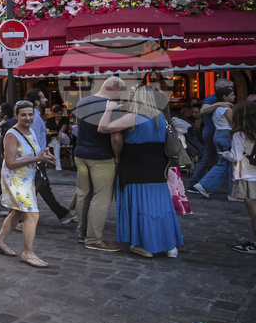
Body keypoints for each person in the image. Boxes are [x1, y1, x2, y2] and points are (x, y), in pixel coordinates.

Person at [99, 84, 183, 258]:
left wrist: (108, 109)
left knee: (139, 204)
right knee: (161, 204)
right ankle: (169, 246)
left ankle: (144, 245)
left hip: (135, 165)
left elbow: (103, 128)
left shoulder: (134, 117)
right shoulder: (161, 118)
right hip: (158, 166)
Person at [0, 100, 55, 268]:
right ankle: (28, 253)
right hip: (15, 179)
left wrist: (44, 155)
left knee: (18, 212)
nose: (27, 118)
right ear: (16, 116)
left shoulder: (31, 131)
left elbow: (32, 153)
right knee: (32, 214)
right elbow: (11, 162)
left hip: (28, 177)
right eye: (23, 114)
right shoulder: (12, 135)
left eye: (30, 114)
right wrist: (37, 158)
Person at [73, 76, 125, 252]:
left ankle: (82, 233)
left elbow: (78, 127)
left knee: (83, 194)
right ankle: (93, 238)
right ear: (115, 89)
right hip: (101, 156)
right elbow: (116, 137)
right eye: (120, 91)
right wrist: (117, 156)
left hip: (81, 153)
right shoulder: (112, 106)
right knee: (101, 197)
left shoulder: (83, 102)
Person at [25, 89, 76, 225]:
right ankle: (62, 214)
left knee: (39, 187)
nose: (46, 100)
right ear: (36, 101)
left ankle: (21, 217)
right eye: (43, 97)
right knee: (41, 186)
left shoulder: (36, 116)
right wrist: (39, 157)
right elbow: (32, 139)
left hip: (38, 158)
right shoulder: (35, 117)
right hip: (37, 159)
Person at [192, 84, 237, 198]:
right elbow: (233, 124)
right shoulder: (225, 109)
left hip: (218, 134)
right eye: (231, 95)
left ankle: (205, 185)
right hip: (226, 135)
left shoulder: (216, 108)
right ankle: (233, 193)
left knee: (223, 162)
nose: (234, 96)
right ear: (225, 97)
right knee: (231, 164)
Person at [223, 101, 256, 254]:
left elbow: (235, 156)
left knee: (253, 213)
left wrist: (225, 154)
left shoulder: (239, 134)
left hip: (248, 176)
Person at [46, 104, 71, 171]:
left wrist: (60, 133)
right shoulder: (50, 120)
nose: (59, 115)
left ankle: (49, 146)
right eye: (57, 114)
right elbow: (48, 129)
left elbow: (64, 126)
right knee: (56, 143)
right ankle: (58, 165)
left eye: (60, 114)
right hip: (56, 139)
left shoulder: (65, 119)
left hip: (65, 139)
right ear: (53, 113)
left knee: (62, 135)